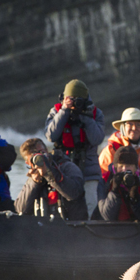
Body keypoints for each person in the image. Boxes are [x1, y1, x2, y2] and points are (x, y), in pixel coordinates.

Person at [44, 79, 105, 218]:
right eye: (70, 99)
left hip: (89, 169)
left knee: (92, 207)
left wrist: (85, 116)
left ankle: (93, 236)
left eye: (77, 100)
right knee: (64, 207)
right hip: (64, 168)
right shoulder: (56, 111)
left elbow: (97, 138)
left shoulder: (95, 114)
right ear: (64, 98)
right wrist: (64, 111)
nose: (74, 104)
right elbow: (50, 135)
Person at [14, 138, 88, 221]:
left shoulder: (67, 167)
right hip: (44, 229)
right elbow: (20, 210)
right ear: (28, 162)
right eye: (34, 157)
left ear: (47, 151)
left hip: (71, 226)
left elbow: (74, 193)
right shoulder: (33, 178)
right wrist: (35, 183)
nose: (40, 158)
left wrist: (49, 173)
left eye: (42, 153)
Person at [93, 146, 140, 222]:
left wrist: (135, 197)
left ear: (136, 168)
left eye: (128, 166)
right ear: (115, 168)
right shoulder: (105, 181)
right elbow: (107, 216)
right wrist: (114, 192)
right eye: (121, 166)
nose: (124, 170)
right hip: (109, 229)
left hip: (136, 229)